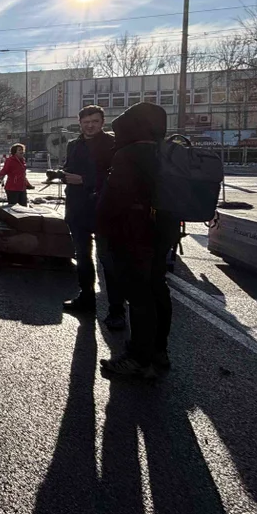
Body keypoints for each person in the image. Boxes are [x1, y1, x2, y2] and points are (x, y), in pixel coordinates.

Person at [98, 102, 181, 379]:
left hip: (132, 233)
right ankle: (160, 350)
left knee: (138, 295)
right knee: (158, 289)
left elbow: (114, 199)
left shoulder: (128, 154)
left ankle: (138, 357)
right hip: (162, 231)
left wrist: (101, 224)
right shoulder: (166, 151)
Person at [60, 105, 123, 328]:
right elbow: (70, 169)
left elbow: (117, 177)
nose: (90, 125)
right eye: (86, 121)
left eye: (94, 121)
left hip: (103, 210)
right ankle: (86, 298)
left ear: (102, 122)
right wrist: (63, 175)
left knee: (108, 261)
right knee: (83, 257)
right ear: (80, 123)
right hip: (77, 210)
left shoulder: (113, 144)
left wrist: (84, 180)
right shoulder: (73, 145)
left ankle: (117, 311)